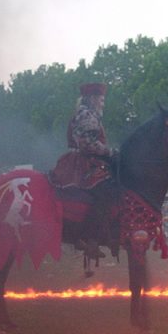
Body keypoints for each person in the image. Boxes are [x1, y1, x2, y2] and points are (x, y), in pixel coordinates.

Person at [49, 82, 117, 259]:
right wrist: (110, 152)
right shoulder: (86, 115)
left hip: (91, 161)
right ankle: (92, 239)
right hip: (85, 164)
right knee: (106, 192)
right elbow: (87, 144)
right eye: (102, 100)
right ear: (93, 99)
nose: (103, 103)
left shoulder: (88, 113)